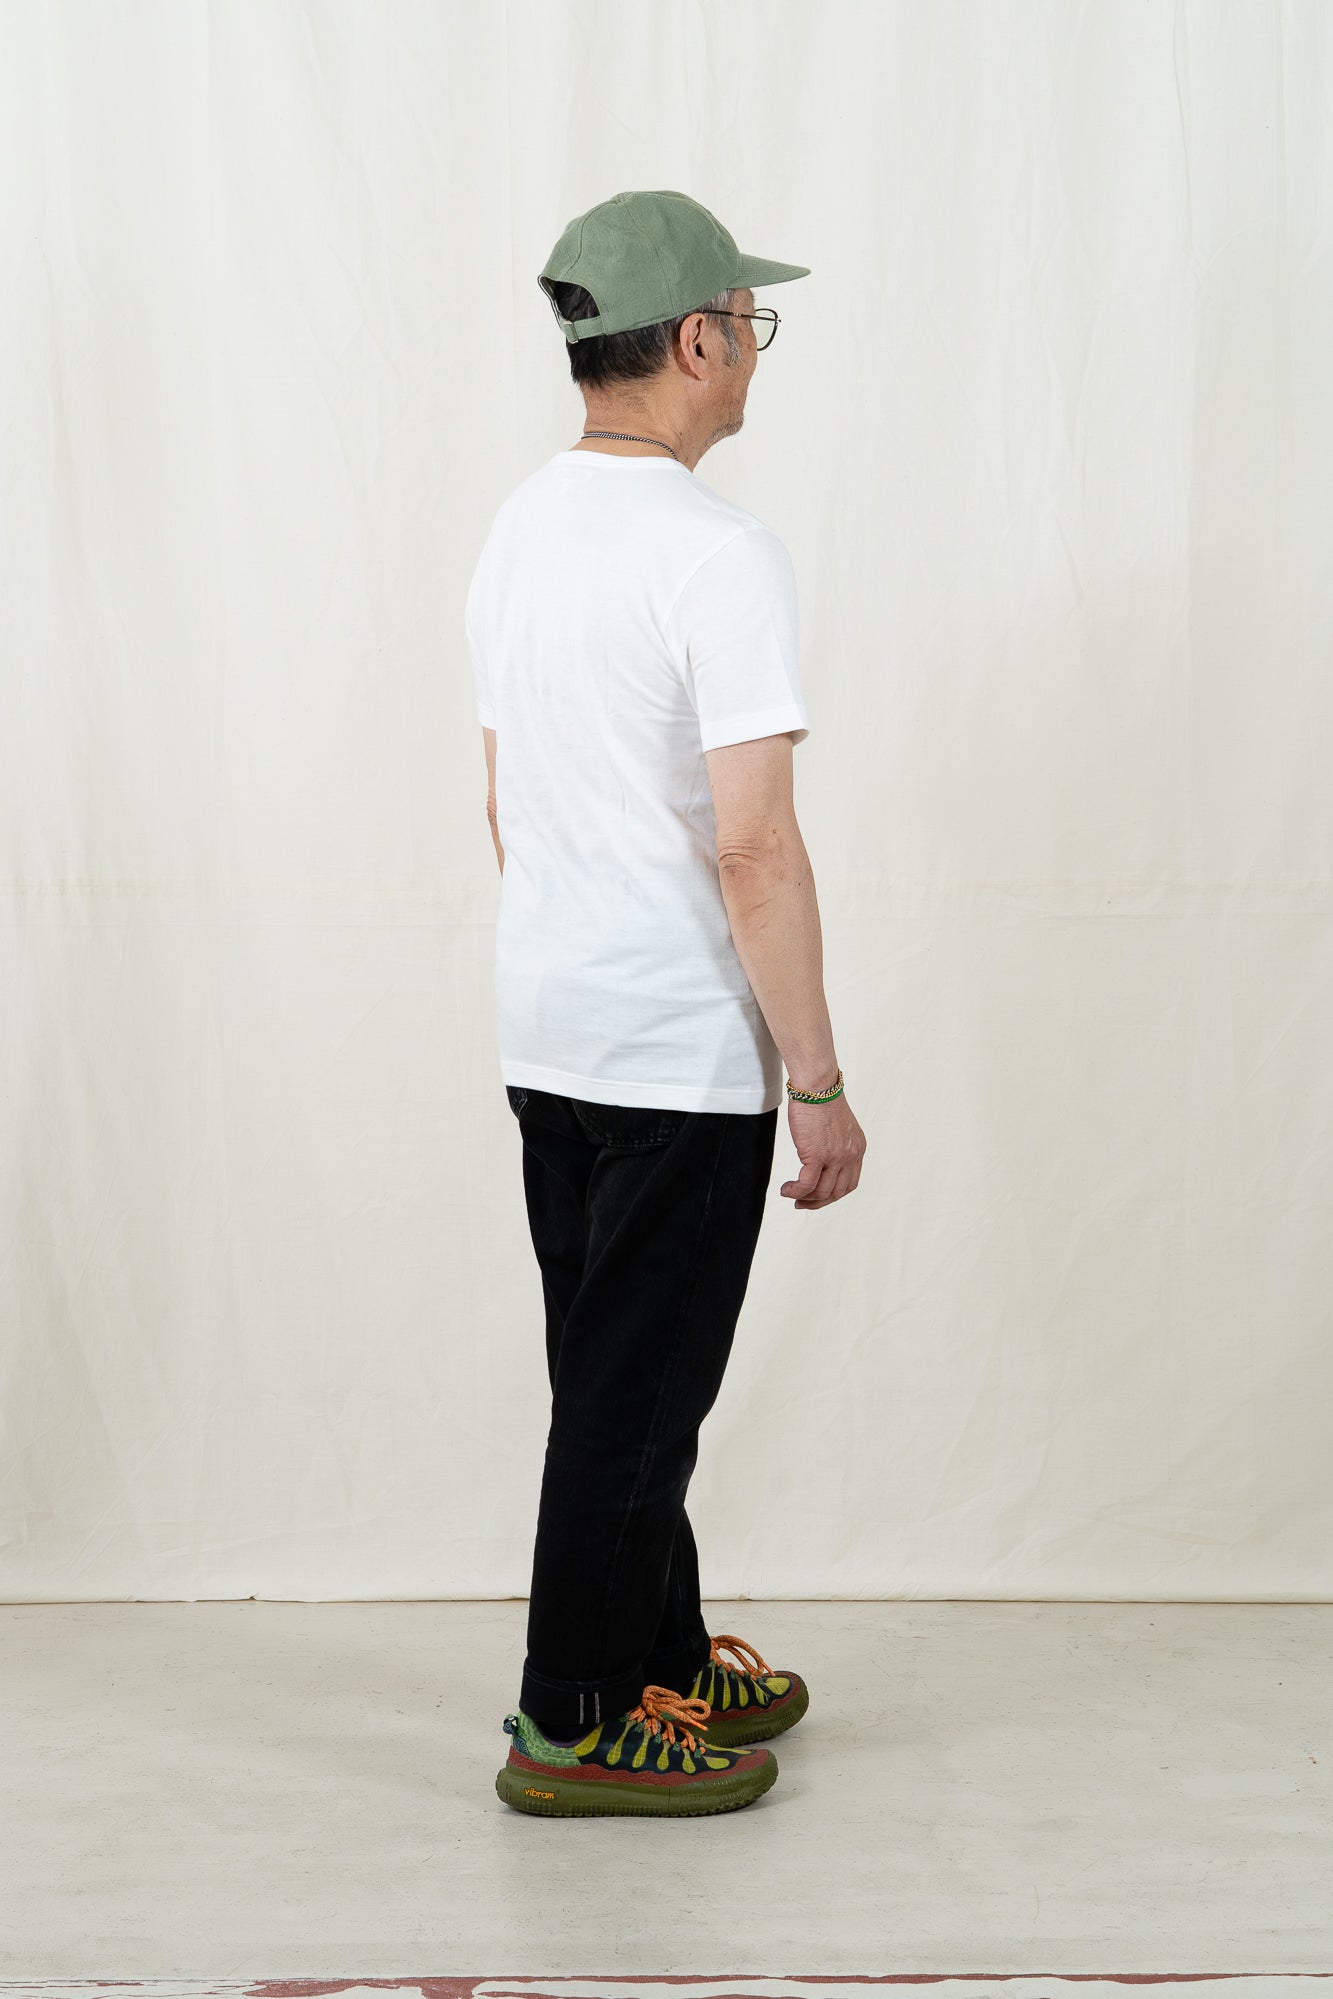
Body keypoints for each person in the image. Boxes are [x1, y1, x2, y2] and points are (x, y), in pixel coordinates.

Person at [466, 189, 867, 1819]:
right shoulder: (716, 554)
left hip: (549, 1026)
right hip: (674, 1055)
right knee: (636, 1400)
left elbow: (505, 801)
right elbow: (753, 849)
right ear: (696, 338)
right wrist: (816, 1082)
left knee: (613, 1377)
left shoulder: (518, 526)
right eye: (745, 322)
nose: (752, 350)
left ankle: (662, 1657)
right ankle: (570, 1720)